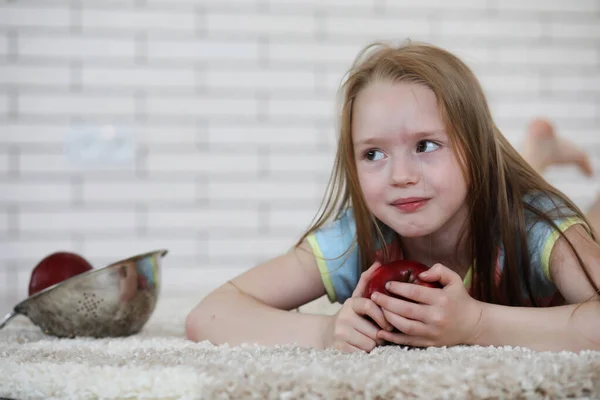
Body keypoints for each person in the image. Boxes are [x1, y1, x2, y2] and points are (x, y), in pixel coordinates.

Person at [185, 41, 600, 353]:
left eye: (425, 145)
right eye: (374, 154)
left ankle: (537, 154)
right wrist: (326, 332)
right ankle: (538, 151)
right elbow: (210, 314)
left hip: (521, 209)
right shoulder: (363, 234)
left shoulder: (537, 222)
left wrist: (477, 323)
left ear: (476, 144)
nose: (400, 177)